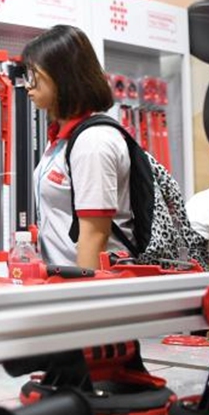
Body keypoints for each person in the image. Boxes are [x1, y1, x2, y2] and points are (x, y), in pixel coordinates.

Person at [25, 24, 132, 268]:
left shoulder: (92, 143)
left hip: (92, 288)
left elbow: (95, 236)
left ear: (61, 75)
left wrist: (83, 299)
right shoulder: (64, 141)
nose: (27, 85)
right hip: (65, 282)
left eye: (34, 75)